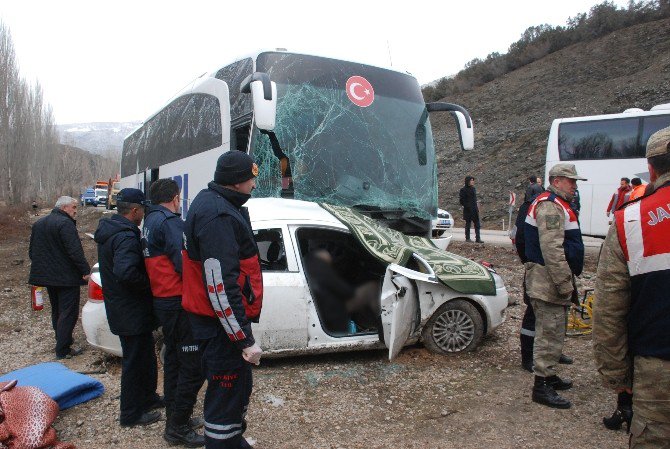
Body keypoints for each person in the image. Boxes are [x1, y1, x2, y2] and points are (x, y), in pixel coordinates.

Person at [593, 126, 670, 447]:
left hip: (657, 369)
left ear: (650, 169)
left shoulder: (631, 220)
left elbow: (609, 308)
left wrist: (617, 376)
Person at [182, 151, 264, 449]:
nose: (254, 184)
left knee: (236, 388)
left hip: (217, 323)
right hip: (218, 326)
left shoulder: (218, 203)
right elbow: (219, 287)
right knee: (225, 391)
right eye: (252, 178)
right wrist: (243, 339)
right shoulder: (217, 215)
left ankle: (232, 439)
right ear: (237, 182)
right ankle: (222, 442)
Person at [142, 179, 205, 447]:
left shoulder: (149, 221)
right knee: (193, 364)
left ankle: (176, 417)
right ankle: (177, 428)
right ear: (175, 198)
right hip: (178, 300)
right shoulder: (169, 222)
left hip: (164, 300)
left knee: (176, 362)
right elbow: (184, 262)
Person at [94, 188, 162, 427]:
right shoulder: (125, 236)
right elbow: (126, 272)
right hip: (130, 311)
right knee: (134, 362)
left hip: (124, 309)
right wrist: (150, 286)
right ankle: (131, 414)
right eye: (142, 209)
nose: (143, 214)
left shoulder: (112, 231)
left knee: (145, 356)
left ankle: (148, 397)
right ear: (134, 210)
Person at [524, 163, 586, 409]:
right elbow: (552, 250)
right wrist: (564, 283)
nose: (575, 186)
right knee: (548, 333)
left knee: (554, 330)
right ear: (557, 180)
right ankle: (541, 386)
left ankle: (549, 376)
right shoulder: (549, 205)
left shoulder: (555, 203)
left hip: (548, 279)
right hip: (547, 280)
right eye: (571, 181)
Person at [511, 192, 572, 373]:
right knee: (533, 314)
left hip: (557, 268)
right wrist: (528, 261)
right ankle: (528, 357)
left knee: (556, 315)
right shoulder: (534, 205)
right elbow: (520, 237)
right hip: (539, 269)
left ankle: (552, 353)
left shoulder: (563, 204)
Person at [28, 196, 90, 359]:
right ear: (64, 208)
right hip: (66, 277)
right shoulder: (65, 224)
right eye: (74, 208)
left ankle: (61, 340)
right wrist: (85, 270)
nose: (75, 211)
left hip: (47, 277)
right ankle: (63, 348)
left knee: (57, 310)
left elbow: (32, 252)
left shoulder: (39, 224)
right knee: (68, 312)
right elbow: (74, 251)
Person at [459, 175, 483, 243]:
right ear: (468, 181)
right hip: (468, 210)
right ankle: (467, 238)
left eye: (473, 180)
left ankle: (478, 238)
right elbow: (461, 201)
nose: (472, 182)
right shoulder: (463, 190)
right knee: (468, 225)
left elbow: (475, 200)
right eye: (471, 180)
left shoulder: (473, 189)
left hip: (475, 210)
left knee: (477, 225)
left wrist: (477, 207)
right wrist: (468, 206)